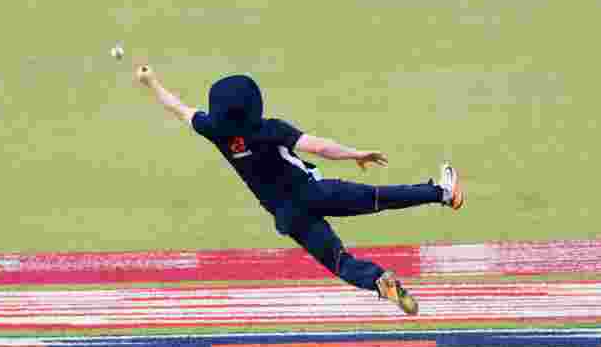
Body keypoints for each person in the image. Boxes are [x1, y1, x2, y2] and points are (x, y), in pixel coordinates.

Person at [135, 65, 464, 315]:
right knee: (380, 198)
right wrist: (355, 154)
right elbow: (319, 148)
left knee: (339, 262)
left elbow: (178, 108)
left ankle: (379, 281)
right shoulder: (269, 129)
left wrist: (151, 83)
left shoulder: (215, 131)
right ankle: (442, 193)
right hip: (313, 192)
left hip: (287, 216)